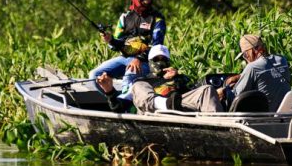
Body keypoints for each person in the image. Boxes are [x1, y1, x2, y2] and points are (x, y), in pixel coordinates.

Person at [89, 0, 166, 100]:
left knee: (129, 74)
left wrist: (139, 59)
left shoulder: (158, 19)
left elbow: (157, 47)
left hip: (147, 62)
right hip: (125, 58)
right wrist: (110, 40)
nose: (147, 1)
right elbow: (117, 45)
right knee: (94, 75)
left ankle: (125, 107)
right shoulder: (125, 17)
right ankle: (116, 101)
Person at [96, 45, 224, 114]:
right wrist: (109, 91)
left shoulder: (178, 77)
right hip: (154, 115)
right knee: (137, 85)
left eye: (164, 60)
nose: (160, 62)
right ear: (150, 62)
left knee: (207, 89)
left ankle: (220, 131)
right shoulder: (143, 82)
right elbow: (118, 107)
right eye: (156, 59)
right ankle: (166, 105)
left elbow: (193, 94)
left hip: (180, 108)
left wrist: (178, 78)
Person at [221, 34, 292, 112]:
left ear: (250, 51)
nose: (245, 59)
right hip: (284, 114)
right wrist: (240, 76)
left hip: (264, 116)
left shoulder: (252, 67)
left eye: (245, 55)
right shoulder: (282, 60)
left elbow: (235, 96)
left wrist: (224, 90)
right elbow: (269, 73)